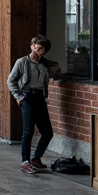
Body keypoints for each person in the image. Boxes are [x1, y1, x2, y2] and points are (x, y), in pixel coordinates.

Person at [7, 34, 60, 173]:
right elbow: (10, 81)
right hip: (27, 97)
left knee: (47, 132)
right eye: (35, 48)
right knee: (28, 131)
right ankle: (25, 162)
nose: (36, 51)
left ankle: (36, 159)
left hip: (40, 98)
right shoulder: (22, 62)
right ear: (31, 46)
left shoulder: (45, 64)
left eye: (40, 49)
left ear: (45, 50)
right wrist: (18, 97)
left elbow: (56, 69)